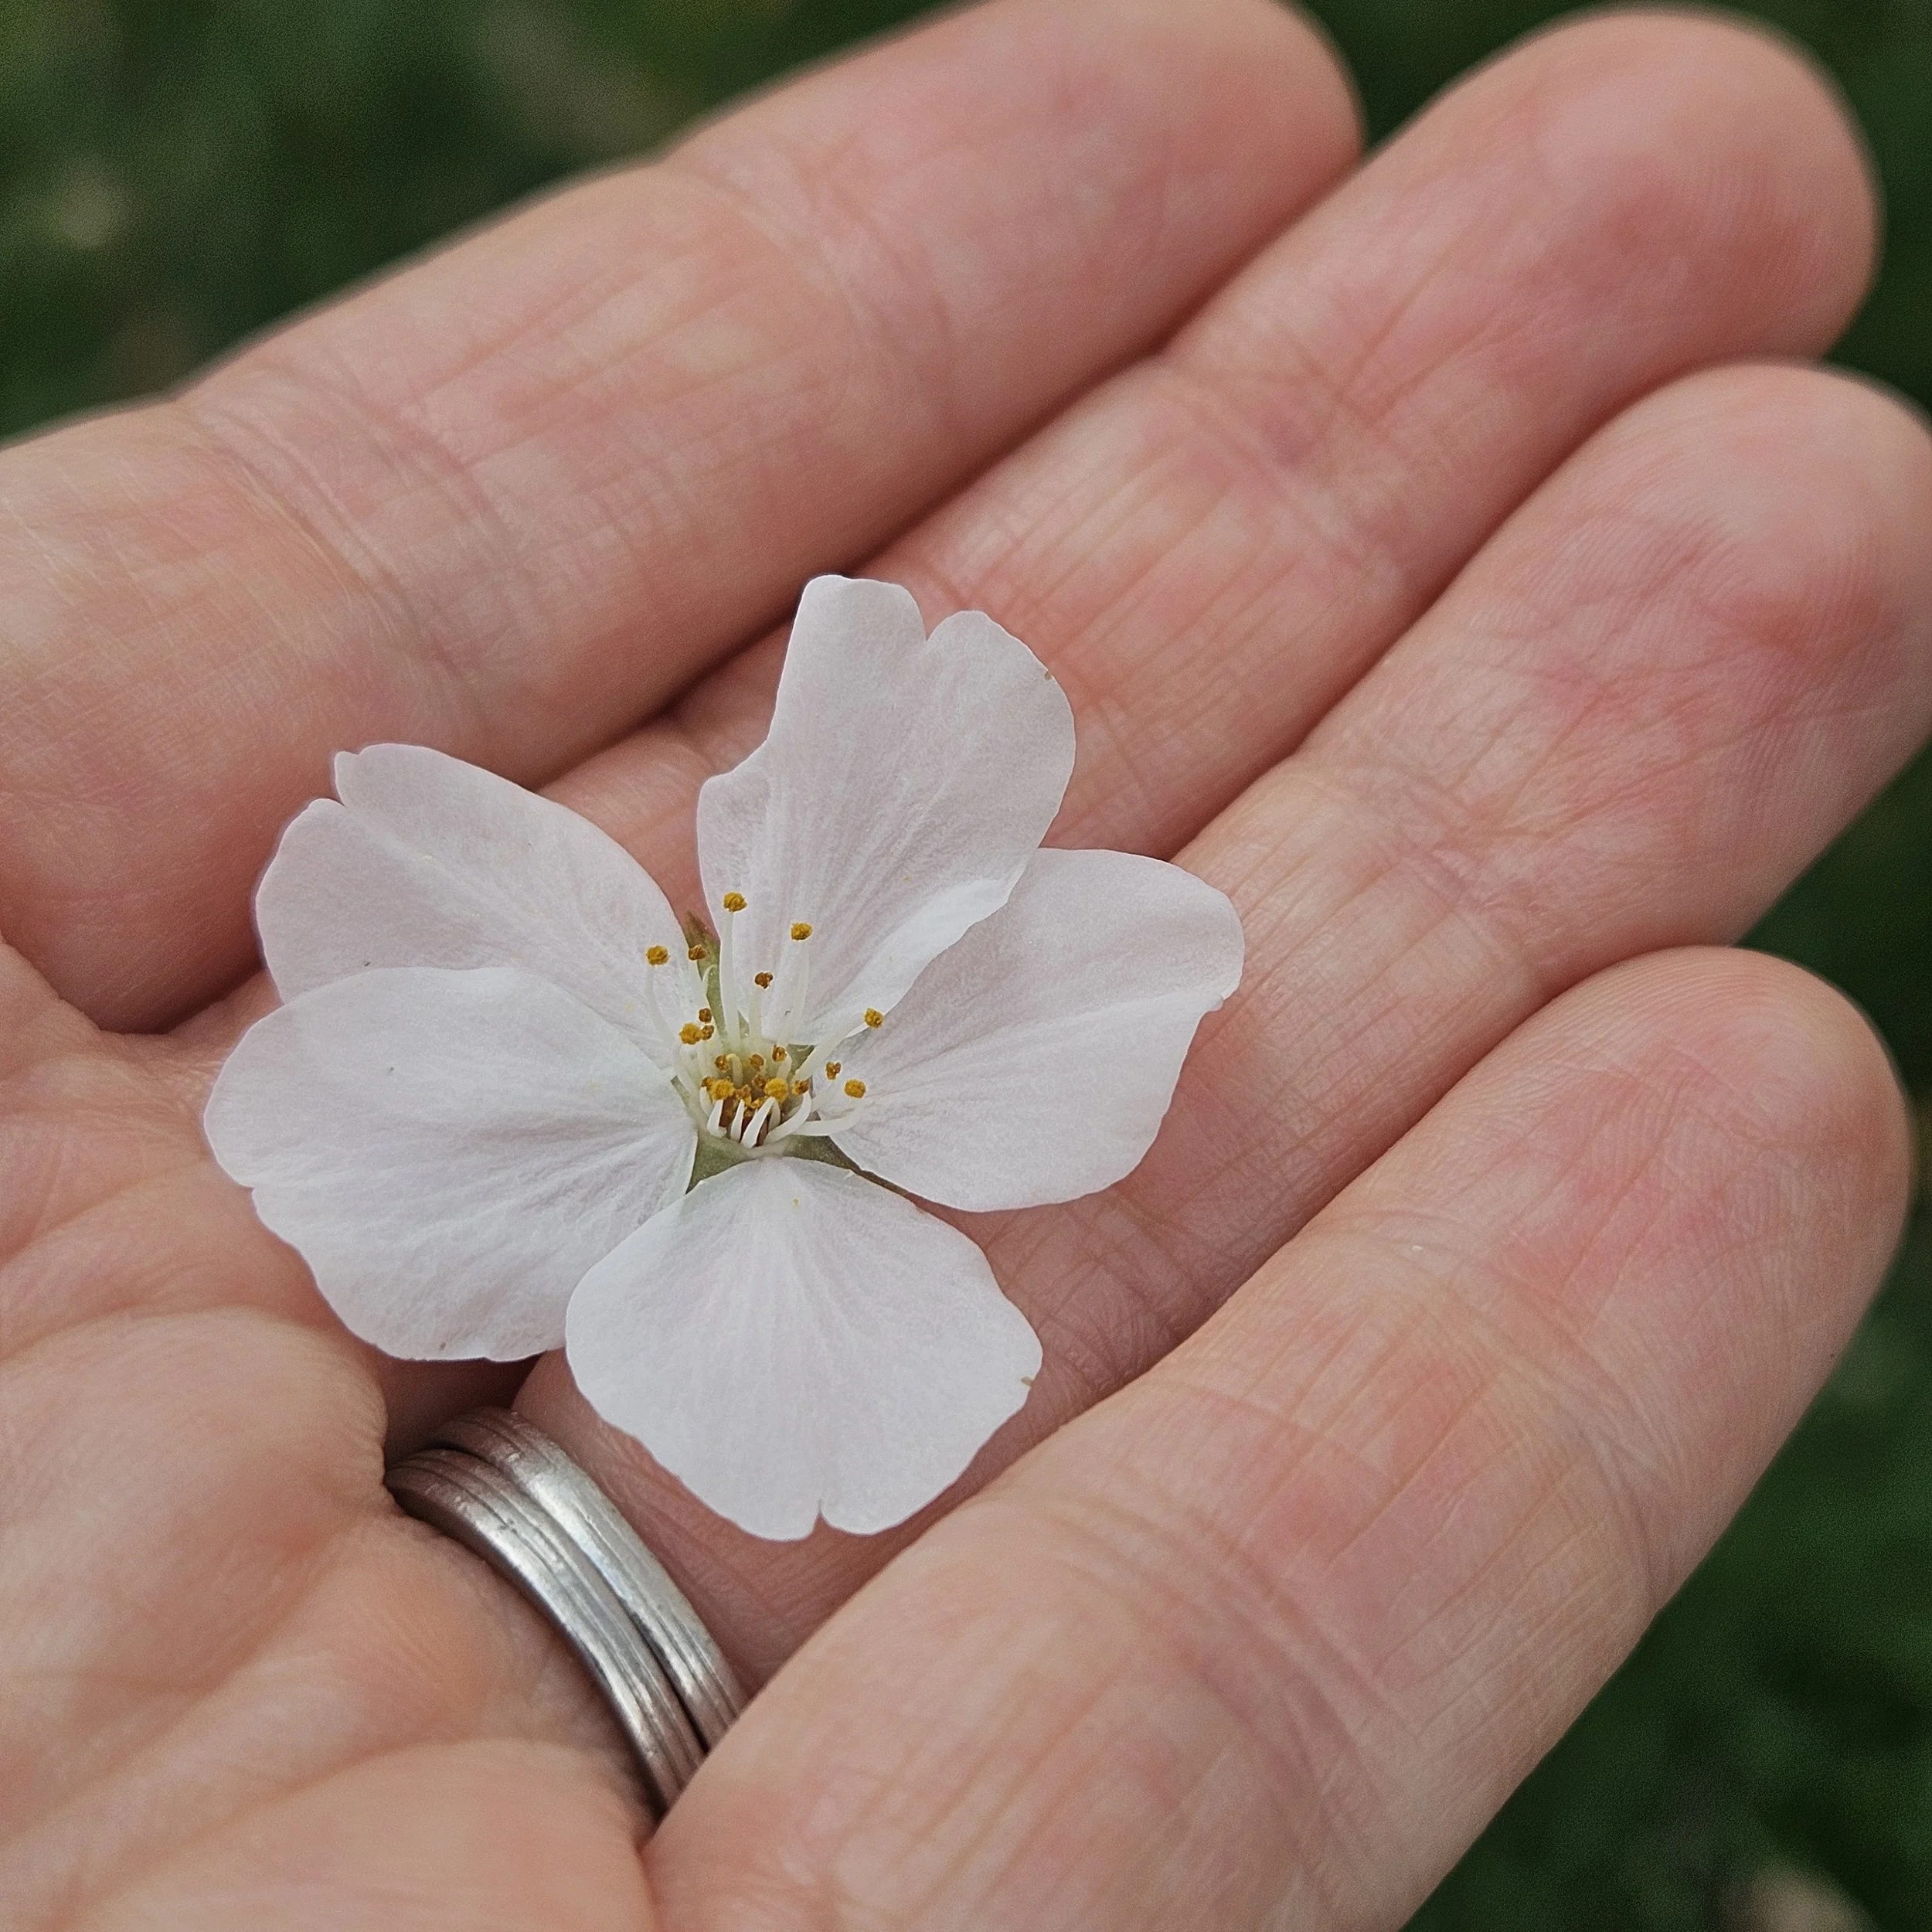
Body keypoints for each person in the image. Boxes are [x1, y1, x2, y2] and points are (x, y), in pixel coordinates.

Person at [0, 0, 1923, 1924]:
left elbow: (1092, 980)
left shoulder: (848, 1046)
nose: (744, 1071)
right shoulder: (600, 997)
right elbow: (421, 964)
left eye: (751, 1057)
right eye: (734, 1052)